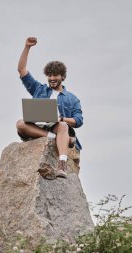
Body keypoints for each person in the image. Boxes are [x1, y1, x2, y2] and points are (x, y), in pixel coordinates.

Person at [16, 37, 83, 179]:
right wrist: (27, 47)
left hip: (57, 125)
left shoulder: (72, 98)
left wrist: (61, 118)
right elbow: (21, 69)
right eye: (49, 75)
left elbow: (78, 121)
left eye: (55, 75)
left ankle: (62, 164)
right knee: (20, 123)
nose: (52, 78)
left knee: (63, 125)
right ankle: (55, 138)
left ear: (62, 77)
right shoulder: (38, 89)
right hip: (38, 126)